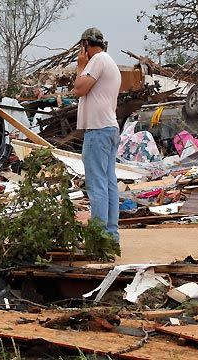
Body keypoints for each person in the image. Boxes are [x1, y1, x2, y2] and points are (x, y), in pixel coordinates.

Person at [73, 27, 122, 242]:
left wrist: (81, 67)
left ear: (86, 44)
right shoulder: (109, 61)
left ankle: (100, 236)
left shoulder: (97, 60)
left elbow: (79, 88)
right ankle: (111, 235)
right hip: (109, 128)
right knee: (109, 183)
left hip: (98, 130)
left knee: (97, 186)